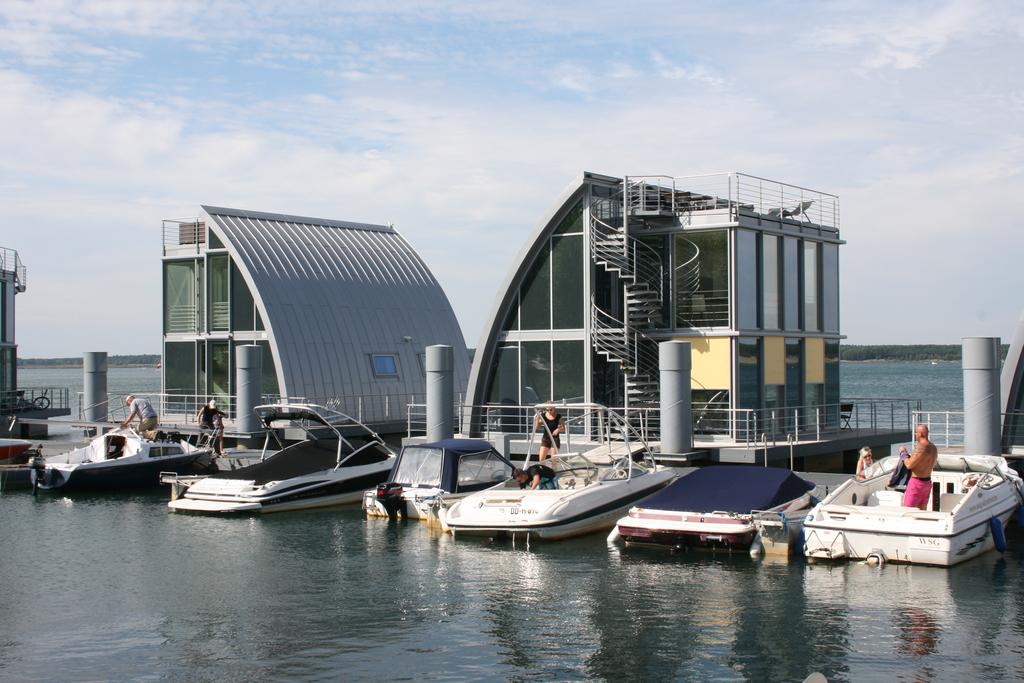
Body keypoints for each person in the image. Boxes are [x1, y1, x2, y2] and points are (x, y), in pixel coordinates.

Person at [902, 424, 938, 509]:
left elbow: (909, 465)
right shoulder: (933, 447)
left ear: (921, 434)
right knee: (922, 511)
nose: (915, 435)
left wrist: (903, 453)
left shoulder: (921, 447)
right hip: (927, 483)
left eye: (916, 433)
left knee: (908, 511)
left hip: (917, 483)